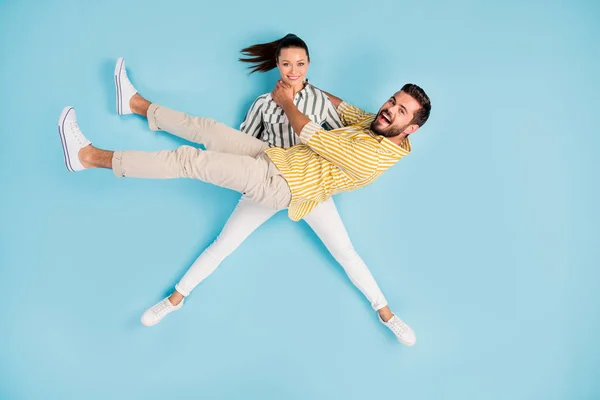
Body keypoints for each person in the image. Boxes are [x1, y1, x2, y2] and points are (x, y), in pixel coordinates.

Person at [57, 37, 431, 346]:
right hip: (278, 157)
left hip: (282, 184)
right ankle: (135, 104)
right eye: (392, 102)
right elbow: (345, 107)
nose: (389, 110)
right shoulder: (376, 123)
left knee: (189, 161)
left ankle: (88, 157)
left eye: (400, 112)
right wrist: (303, 87)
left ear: (409, 129)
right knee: (205, 129)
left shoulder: (375, 158)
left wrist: (286, 101)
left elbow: (312, 135)